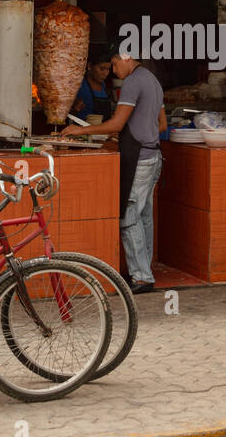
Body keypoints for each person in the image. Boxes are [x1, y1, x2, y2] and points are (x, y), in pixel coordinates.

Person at [61, 47, 166, 294]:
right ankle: (143, 270)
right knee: (144, 216)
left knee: (129, 215)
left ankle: (141, 277)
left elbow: (118, 123)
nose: (112, 71)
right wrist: (136, 132)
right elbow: (161, 125)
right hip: (154, 156)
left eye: (113, 64)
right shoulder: (153, 80)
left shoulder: (132, 82)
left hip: (139, 159)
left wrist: (80, 130)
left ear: (124, 57)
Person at [71, 52, 113, 121]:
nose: (106, 74)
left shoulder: (104, 85)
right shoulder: (78, 86)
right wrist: (74, 109)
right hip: (83, 129)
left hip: (103, 129)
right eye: (102, 69)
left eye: (108, 69)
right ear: (90, 66)